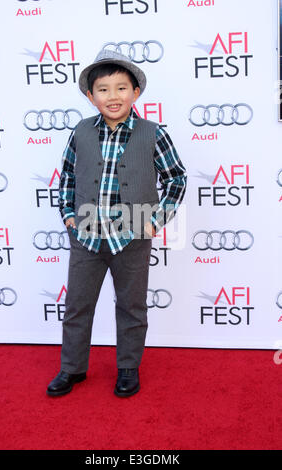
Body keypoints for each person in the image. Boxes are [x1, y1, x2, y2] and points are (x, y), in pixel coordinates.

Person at [46, 49, 187, 398]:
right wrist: (68, 216)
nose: (113, 96)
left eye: (121, 88)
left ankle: (127, 368)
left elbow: (177, 179)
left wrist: (156, 220)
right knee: (78, 305)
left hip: (133, 237)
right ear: (91, 96)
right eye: (104, 89)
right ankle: (72, 368)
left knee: (131, 306)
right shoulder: (80, 132)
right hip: (86, 237)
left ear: (136, 92)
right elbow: (65, 178)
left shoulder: (153, 133)